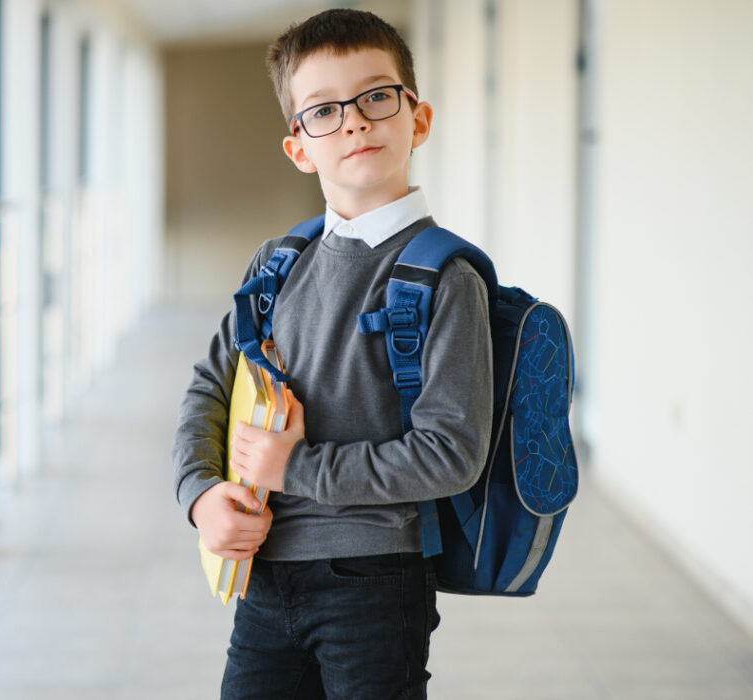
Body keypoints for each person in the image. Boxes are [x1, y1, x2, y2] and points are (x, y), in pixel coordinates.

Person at [171, 8, 494, 699]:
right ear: (299, 147)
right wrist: (200, 497)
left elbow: (451, 453)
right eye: (323, 110)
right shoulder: (277, 264)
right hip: (264, 579)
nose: (354, 121)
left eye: (377, 97)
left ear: (419, 119)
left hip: (375, 584)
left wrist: (297, 466)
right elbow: (210, 386)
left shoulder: (444, 279)